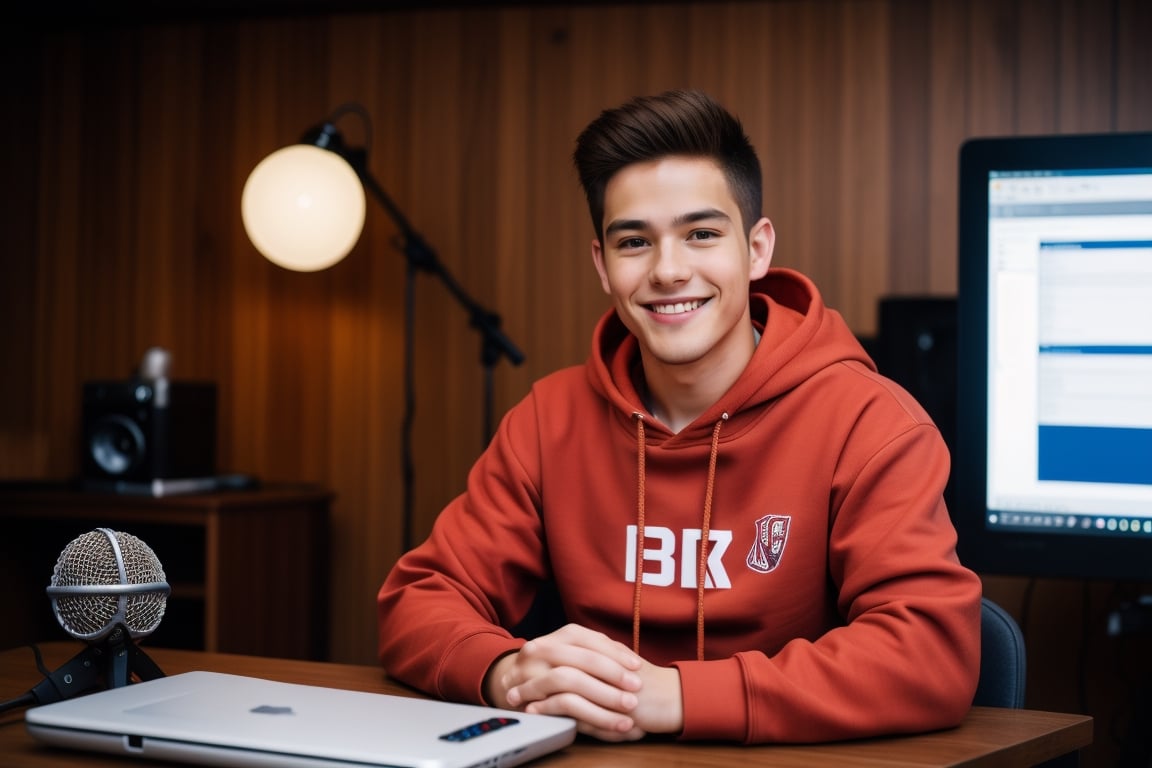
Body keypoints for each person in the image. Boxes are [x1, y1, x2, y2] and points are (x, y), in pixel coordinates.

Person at [377, 89, 982, 744]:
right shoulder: (548, 419)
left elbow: (930, 654)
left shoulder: (869, 423)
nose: (669, 271)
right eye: (634, 241)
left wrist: (675, 697)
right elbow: (420, 597)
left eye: (701, 234)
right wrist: (504, 673)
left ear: (756, 249)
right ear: (602, 265)